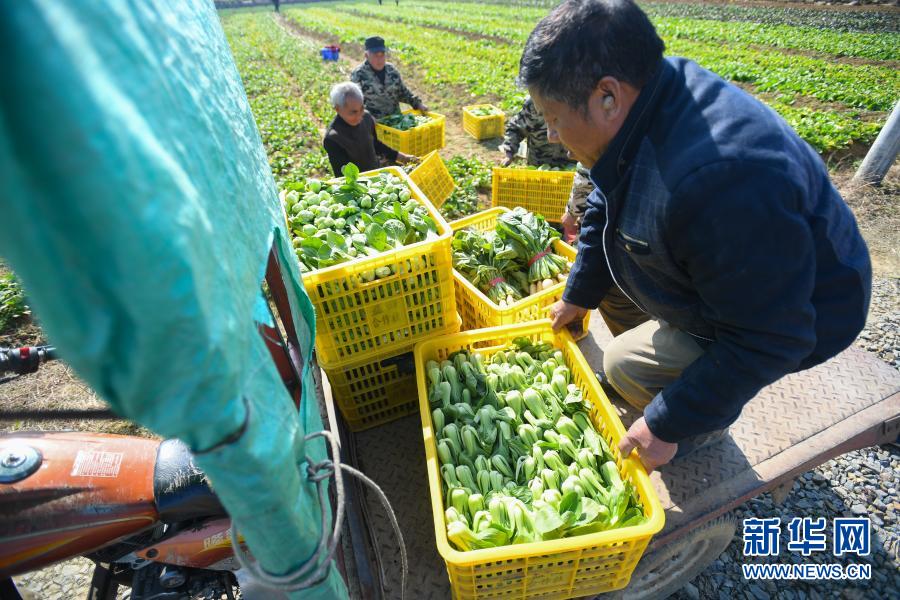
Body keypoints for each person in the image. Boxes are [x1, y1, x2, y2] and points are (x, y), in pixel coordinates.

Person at [520, 0, 871, 470]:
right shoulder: (649, 97)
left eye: (555, 117)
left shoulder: (720, 181)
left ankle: (701, 423)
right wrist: (579, 294)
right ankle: (678, 373)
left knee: (622, 364)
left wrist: (670, 421)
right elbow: (607, 193)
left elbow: (773, 335)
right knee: (609, 282)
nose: (552, 134)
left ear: (608, 96)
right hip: (741, 263)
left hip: (807, 309)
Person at [323, 82, 414, 176]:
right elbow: (342, 176)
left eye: (362, 108)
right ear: (338, 109)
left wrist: (402, 157)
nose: (359, 116)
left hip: (376, 174)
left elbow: (375, 144)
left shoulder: (366, 117)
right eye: (353, 112)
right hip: (360, 184)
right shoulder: (333, 139)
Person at [351, 36, 428, 121]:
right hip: (373, 125)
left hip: (394, 122)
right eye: (376, 55)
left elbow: (402, 92)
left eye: (382, 55)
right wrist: (367, 117)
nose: (380, 59)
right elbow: (354, 104)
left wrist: (418, 104)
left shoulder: (391, 70)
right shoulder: (358, 75)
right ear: (366, 55)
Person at [498, 95, 571, 168]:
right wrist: (509, 154)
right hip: (538, 166)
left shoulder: (576, 102)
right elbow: (515, 128)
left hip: (571, 165)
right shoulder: (535, 103)